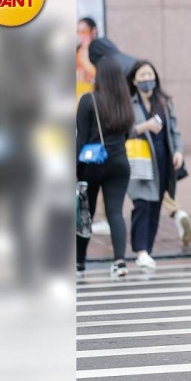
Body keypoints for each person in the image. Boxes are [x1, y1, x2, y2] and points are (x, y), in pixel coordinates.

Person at [76, 58, 134, 276]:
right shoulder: (124, 102)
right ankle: (120, 261)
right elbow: (127, 134)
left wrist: (75, 170)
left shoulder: (88, 100)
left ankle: (79, 261)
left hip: (92, 164)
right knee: (115, 212)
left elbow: (80, 139)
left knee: (85, 213)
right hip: (120, 162)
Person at [125, 61, 184, 269]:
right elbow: (124, 129)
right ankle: (140, 250)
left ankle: (146, 250)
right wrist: (145, 127)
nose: (146, 79)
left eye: (150, 74)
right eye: (142, 76)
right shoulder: (128, 102)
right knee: (142, 204)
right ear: (134, 80)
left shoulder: (164, 102)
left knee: (156, 205)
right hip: (140, 161)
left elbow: (174, 129)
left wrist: (178, 150)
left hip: (162, 161)